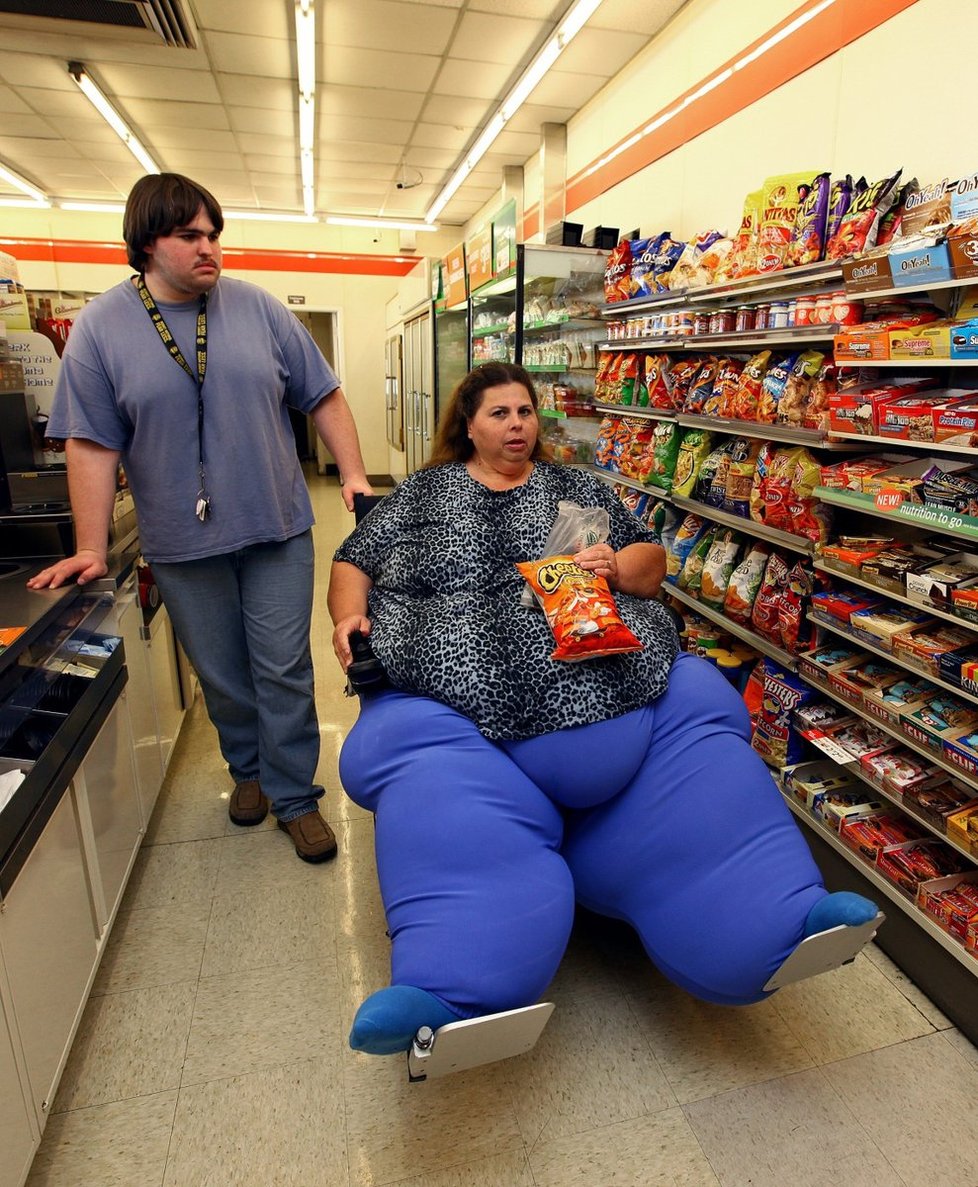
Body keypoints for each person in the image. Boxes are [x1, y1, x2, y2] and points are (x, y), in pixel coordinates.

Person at [327, 361, 879, 1055]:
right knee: (443, 797)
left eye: (525, 411)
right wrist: (348, 618)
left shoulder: (579, 488)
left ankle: (783, 914)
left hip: (627, 686)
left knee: (700, 749)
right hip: (468, 715)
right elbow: (354, 560)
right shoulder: (423, 494)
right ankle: (450, 988)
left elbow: (652, 565)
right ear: (467, 425)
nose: (516, 424)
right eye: (499, 413)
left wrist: (615, 567)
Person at [28, 172, 373, 863]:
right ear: (147, 242)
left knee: (281, 668)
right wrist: (92, 545)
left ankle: (295, 796)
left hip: (276, 526)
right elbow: (90, 442)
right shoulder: (100, 329)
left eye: (214, 234)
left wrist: (356, 475)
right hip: (182, 542)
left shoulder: (260, 310)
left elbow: (324, 396)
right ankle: (247, 770)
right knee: (221, 673)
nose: (209, 247)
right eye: (190, 235)